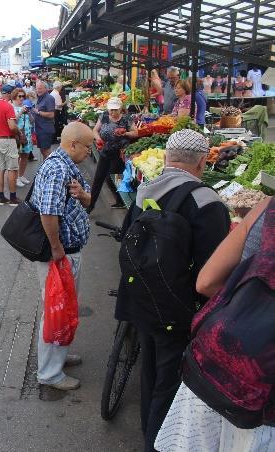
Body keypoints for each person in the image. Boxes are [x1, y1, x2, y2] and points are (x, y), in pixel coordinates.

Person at [115, 130, 230, 452]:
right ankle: (157, 443)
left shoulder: (145, 187)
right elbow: (211, 271)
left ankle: (147, 432)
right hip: (176, 308)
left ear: (167, 157)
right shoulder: (206, 201)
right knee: (170, 383)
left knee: (150, 372)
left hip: (140, 298)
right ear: (203, 162)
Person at [154, 197, 274, 452]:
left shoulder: (266, 206)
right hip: (261, 404)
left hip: (213, 362)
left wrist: (241, 312)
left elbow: (205, 283)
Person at [29, 122, 93, 391]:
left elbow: (87, 198)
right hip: (61, 254)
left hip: (66, 252)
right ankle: (49, 373)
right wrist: (57, 250)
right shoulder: (57, 168)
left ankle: (59, 357)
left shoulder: (67, 165)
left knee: (62, 309)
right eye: (88, 146)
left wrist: (83, 195)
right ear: (74, 144)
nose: (90, 151)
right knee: (55, 310)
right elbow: (48, 213)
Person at [88, 97, 137, 212]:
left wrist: (125, 133)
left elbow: (135, 133)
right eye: (111, 110)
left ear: (120, 109)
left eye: (115, 110)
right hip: (105, 151)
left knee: (114, 177)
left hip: (120, 153)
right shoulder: (104, 116)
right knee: (98, 178)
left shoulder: (126, 119)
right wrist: (98, 139)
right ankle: (90, 205)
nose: (113, 112)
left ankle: (120, 200)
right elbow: (94, 130)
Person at [9, 88, 32, 188]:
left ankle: (21, 175)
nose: (22, 98)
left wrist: (29, 112)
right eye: (20, 96)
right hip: (18, 135)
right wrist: (21, 112)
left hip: (27, 135)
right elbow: (13, 122)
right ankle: (16, 178)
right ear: (14, 96)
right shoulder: (12, 107)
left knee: (25, 155)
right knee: (17, 156)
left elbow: (32, 121)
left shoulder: (25, 107)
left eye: (23, 96)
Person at [32, 80, 56, 159]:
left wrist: (38, 112)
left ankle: (51, 168)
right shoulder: (40, 97)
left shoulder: (49, 98)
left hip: (45, 129)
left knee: (46, 151)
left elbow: (51, 114)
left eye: (40, 88)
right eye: (37, 88)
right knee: (43, 150)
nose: (38, 90)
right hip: (40, 128)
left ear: (46, 88)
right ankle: (45, 167)